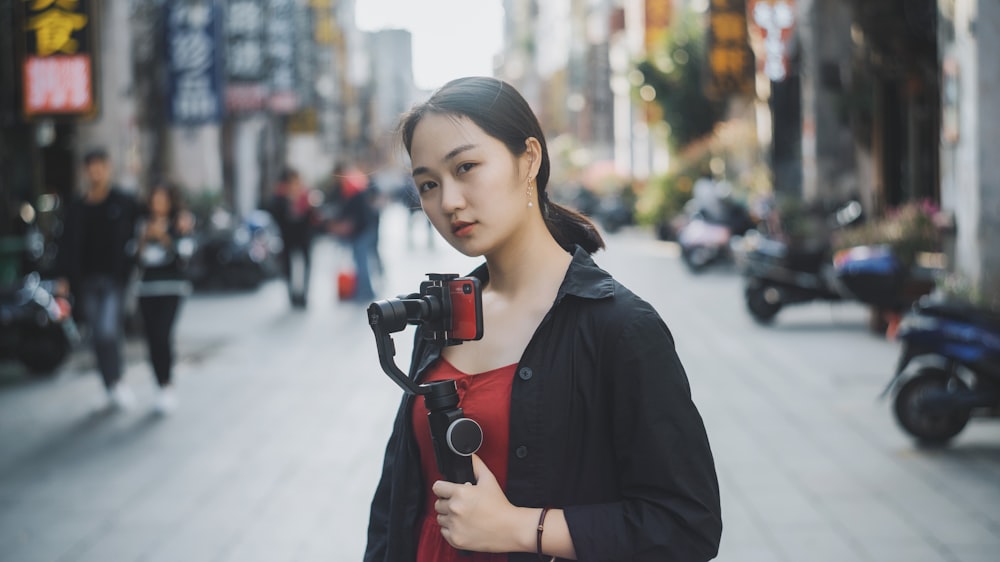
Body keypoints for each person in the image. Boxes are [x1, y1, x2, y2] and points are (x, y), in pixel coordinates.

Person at [364, 77, 722, 561]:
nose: (447, 202)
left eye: (466, 167)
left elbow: (686, 526)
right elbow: (396, 502)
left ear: (528, 159)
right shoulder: (442, 315)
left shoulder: (619, 327)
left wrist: (518, 528)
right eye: (428, 184)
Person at [55, 148, 139, 409]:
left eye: (100, 165)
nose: (95, 171)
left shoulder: (123, 201)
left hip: (114, 280)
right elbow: (66, 245)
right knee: (97, 334)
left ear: (108, 167)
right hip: (86, 281)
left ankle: (117, 380)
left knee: (107, 332)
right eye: (91, 166)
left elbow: (146, 218)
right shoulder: (77, 207)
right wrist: (63, 277)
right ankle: (109, 383)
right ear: (85, 170)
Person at [135, 182, 193, 414]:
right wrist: (143, 238)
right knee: (151, 338)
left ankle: (167, 385)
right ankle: (159, 384)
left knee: (162, 335)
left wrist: (165, 237)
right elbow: (136, 258)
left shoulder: (180, 223)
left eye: (162, 199)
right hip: (146, 289)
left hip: (172, 288)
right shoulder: (142, 224)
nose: (158, 204)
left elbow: (184, 256)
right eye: (154, 199)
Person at [328, 164, 379, 302]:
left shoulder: (350, 187)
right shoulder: (354, 184)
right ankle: (363, 291)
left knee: (361, 263)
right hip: (363, 229)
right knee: (361, 262)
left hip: (361, 231)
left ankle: (365, 292)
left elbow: (353, 212)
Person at [269, 167, 315, 308]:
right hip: (288, 236)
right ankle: (292, 295)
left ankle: (304, 295)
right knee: (289, 266)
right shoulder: (280, 196)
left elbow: (312, 215)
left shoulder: (305, 194)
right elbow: (276, 212)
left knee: (306, 264)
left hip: (304, 236)